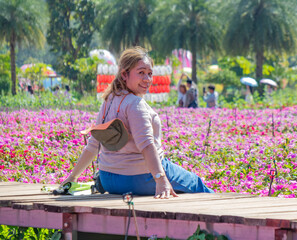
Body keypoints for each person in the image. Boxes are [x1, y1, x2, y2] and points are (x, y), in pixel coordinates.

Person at [61, 47, 213, 198]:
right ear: (124, 74)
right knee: (196, 184)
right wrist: (161, 180)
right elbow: (146, 145)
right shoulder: (135, 104)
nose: (147, 79)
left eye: (149, 74)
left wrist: (72, 178)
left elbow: (94, 144)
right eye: (141, 73)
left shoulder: (110, 99)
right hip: (140, 178)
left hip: (108, 179)